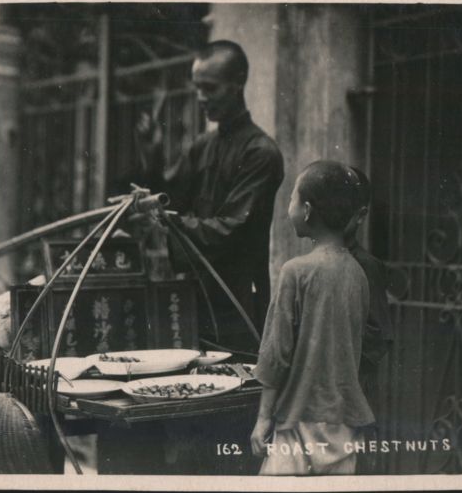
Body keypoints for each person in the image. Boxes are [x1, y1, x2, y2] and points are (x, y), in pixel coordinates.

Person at [135, 40, 284, 356]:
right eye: (197, 87)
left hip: (238, 301)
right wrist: (153, 157)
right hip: (193, 296)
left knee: (235, 384)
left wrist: (170, 223)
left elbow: (232, 229)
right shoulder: (202, 146)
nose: (201, 97)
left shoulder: (261, 153)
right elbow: (170, 199)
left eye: (210, 88)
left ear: (238, 82)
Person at [250, 160, 374, 475]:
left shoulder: (295, 271)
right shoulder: (357, 273)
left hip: (297, 422)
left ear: (306, 210)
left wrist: (264, 417)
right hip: (342, 425)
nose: (288, 206)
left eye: (291, 198)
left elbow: (275, 355)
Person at [345, 166, 394, 474]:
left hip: (355, 390)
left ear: (360, 215)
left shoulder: (365, 266)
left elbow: (380, 335)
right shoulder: (307, 268)